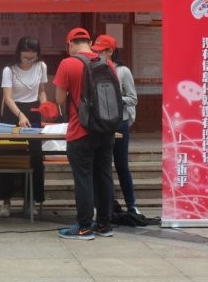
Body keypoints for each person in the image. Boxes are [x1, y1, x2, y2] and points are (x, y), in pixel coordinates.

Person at [53, 27, 116, 240]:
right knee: (104, 176)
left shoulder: (68, 64)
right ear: (89, 43)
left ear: (70, 44)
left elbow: (60, 99)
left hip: (80, 130)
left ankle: (84, 227)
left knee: (84, 179)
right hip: (106, 130)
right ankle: (104, 225)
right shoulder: (107, 63)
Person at [0, 36, 48, 217]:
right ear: (19, 53)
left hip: (33, 111)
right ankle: (6, 201)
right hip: (13, 112)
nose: (29, 61)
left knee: (35, 157)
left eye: (33, 57)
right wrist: (19, 115)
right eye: (26, 57)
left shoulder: (41, 66)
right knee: (9, 156)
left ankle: (30, 200)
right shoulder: (9, 70)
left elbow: (41, 92)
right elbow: (8, 97)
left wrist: (45, 106)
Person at [91, 34, 142, 217]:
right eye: (95, 51)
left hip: (120, 122)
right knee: (99, 166)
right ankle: (102, 205)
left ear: (110, 51)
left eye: (100, 51)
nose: (97, 54)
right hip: (99, 123)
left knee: (121, 164)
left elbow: (133, 99)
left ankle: (131, 204)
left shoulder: (123, 71)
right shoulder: (93, 68)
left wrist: (114, 99)